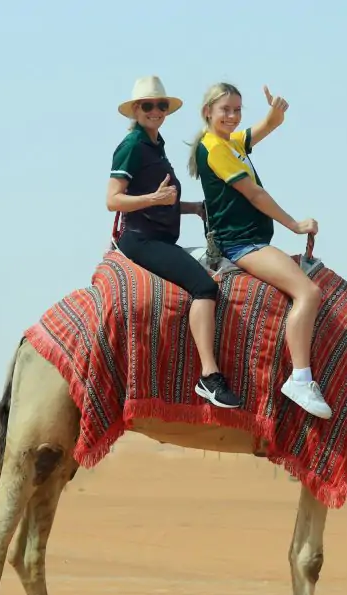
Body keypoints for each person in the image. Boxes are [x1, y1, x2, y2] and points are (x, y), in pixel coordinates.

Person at [186, 82, 332, 420]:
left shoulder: (230, 142)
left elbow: (264, 129)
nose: (233, 116)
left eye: (237, 110)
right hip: (242, 243)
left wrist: (275, 115)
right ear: (208, 111)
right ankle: (300, 379)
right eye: (226, 110)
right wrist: (294, 225)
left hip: (252, 239)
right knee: (308, 293)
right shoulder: (216, 148)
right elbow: (254, 194)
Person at [106, 75, 241, 409]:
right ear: (136, 110)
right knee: (204, 287)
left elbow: (160, 199)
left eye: (160, 105)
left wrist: (192, 207)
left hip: (161, 238)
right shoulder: (131, 146)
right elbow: (113, 200)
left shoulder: (156, 144)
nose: (155, 111)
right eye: (148, 106)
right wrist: (154, 198)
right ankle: (209, 376)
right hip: (141, 241)